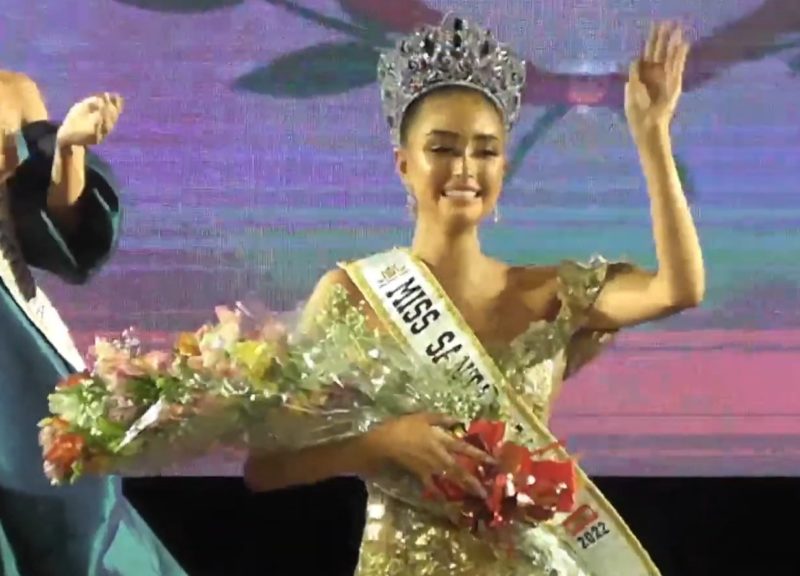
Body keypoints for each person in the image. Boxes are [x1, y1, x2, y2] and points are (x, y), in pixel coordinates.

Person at [242, 14, 703, 575]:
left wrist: (653, 136)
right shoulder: (354, 294)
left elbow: (679, 289)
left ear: (503, 168)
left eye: (485, 151)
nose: (465, 168)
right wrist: (379, 444)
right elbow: (267, 465)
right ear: (404, 165)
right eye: (443, 147)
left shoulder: (551, 292)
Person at [0, 72, 186, 575]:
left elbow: (64, 227)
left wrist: (67, 149)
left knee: (69, 507)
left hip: (14, 345)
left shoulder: (12, 91)